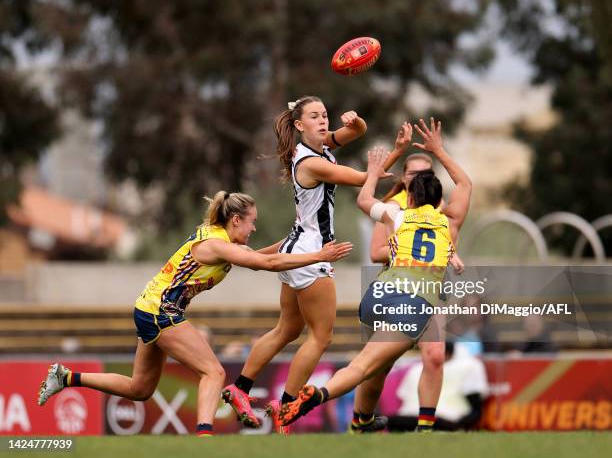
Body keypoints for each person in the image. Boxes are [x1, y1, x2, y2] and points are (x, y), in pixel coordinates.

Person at [37, 191, 352, 437]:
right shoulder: (217, 244)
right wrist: (319, 255)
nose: (255, 227)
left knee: (140, 389)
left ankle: (66, 377)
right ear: (236, 221)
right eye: (252, 221)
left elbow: (258, 256)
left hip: (149, 307)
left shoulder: (219, 237)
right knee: (213, 373)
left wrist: (294, 241)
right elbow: (264, 264)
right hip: (162, 311)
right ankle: (203, 438)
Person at [222, 96, 412, 433]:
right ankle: (287, 403)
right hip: (311, 254)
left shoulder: (315, 148)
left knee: (288, 329)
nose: (323, 121)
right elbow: (363, 179)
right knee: (321, 337)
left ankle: (241, 388)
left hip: (296, 248)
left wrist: (356, 124)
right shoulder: (312, 162)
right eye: (315, 116)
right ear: (299, 125)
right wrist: (394, 153)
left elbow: (354, 134)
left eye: (325, 115)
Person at [277, 117, 472, 431]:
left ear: (412, 193)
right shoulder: (448, 219)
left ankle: (381, 424)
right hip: (413, 300)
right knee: (367, 367)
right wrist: (440, 149)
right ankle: (318, 396)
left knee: (400, 360)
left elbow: (363, 200)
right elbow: (465, 185)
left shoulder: (397, 212)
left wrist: (372, 172)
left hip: (380, 294)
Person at [350, 152, 464, 434]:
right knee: (378, 367)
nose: (420, 178)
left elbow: (446, 238)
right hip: (398, 289)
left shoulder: (439, 207)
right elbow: (375, 252)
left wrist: (449, 255)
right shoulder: (394, 208)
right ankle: (360, 422)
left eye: (426, 173)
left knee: (435, 356)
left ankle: (424, 430)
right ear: (404, 178)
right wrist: (405, 250)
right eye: (414, 173)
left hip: (431, 291)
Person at [388, 342, 488, 432]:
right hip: (435, 420)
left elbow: (402, 398)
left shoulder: (469, 365)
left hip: (437, 420)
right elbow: (476, 408)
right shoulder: (415, 369)